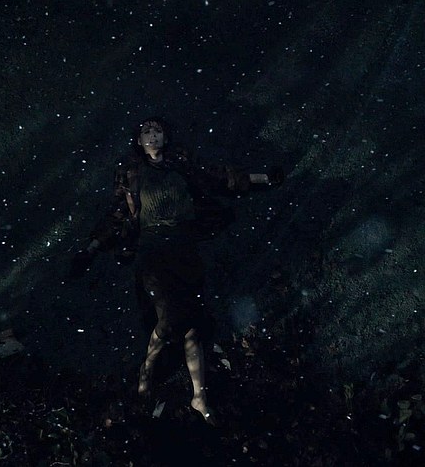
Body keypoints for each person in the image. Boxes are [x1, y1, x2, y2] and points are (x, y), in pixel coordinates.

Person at [71, 116, 282, 423]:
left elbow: (218, 178)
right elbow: (117, 215)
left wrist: (263, 178)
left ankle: (199, 396)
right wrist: (90, 249)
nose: (152, 135)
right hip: (153, 253)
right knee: (170, 320)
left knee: (193, 325)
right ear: (139, 142)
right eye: (146, 132)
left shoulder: (181, 165)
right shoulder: (133, 174)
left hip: (184, 250)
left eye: (157, 131)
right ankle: (147, 369)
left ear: (166, 138)